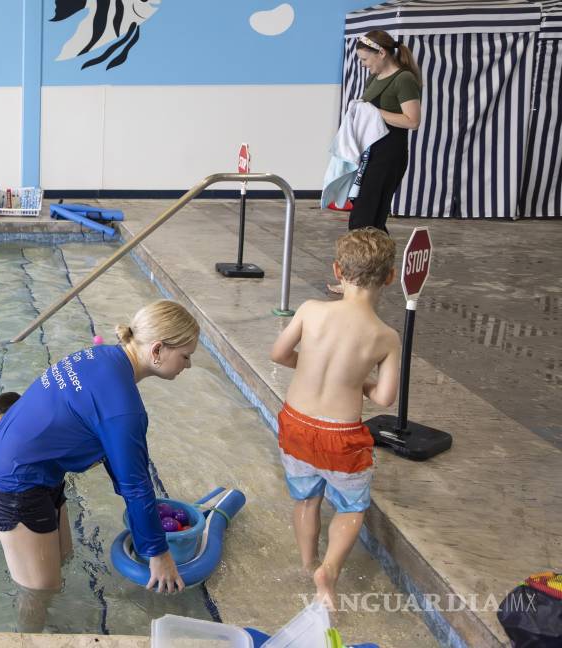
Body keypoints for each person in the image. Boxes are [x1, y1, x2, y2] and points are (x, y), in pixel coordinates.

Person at [0, 300, 199, 629]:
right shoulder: (124, 408)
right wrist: (158, 553)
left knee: (63, 557)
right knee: (40, 591)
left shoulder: (101, 356)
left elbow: (118, 462)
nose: (189, 365)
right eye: (186, 356)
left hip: (35, 471)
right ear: (158, 349)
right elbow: (136, 485)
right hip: (12, 482)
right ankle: (27, 637)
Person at [270, 227, 402, 609]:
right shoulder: (385, 336)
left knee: (306, 501)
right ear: (390, 277)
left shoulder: (311, 310)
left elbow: (278, 353)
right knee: (351, 507)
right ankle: (328, 570)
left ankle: (307, 562)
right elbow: (385, 397)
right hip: (340, 435)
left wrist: (307, 365)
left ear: (337, 270)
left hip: (295, 422)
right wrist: (360, 384)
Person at [330, 30, 421, 294]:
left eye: (366, 59)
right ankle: (376, 274)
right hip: (370, 156)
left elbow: (412, 121)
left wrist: (374, 111)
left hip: (388, 156)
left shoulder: (404, 80)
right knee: (372, 219)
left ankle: (356, 279)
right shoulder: (375, 77)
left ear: (382, 53)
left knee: (364, 219)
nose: (363, 65)